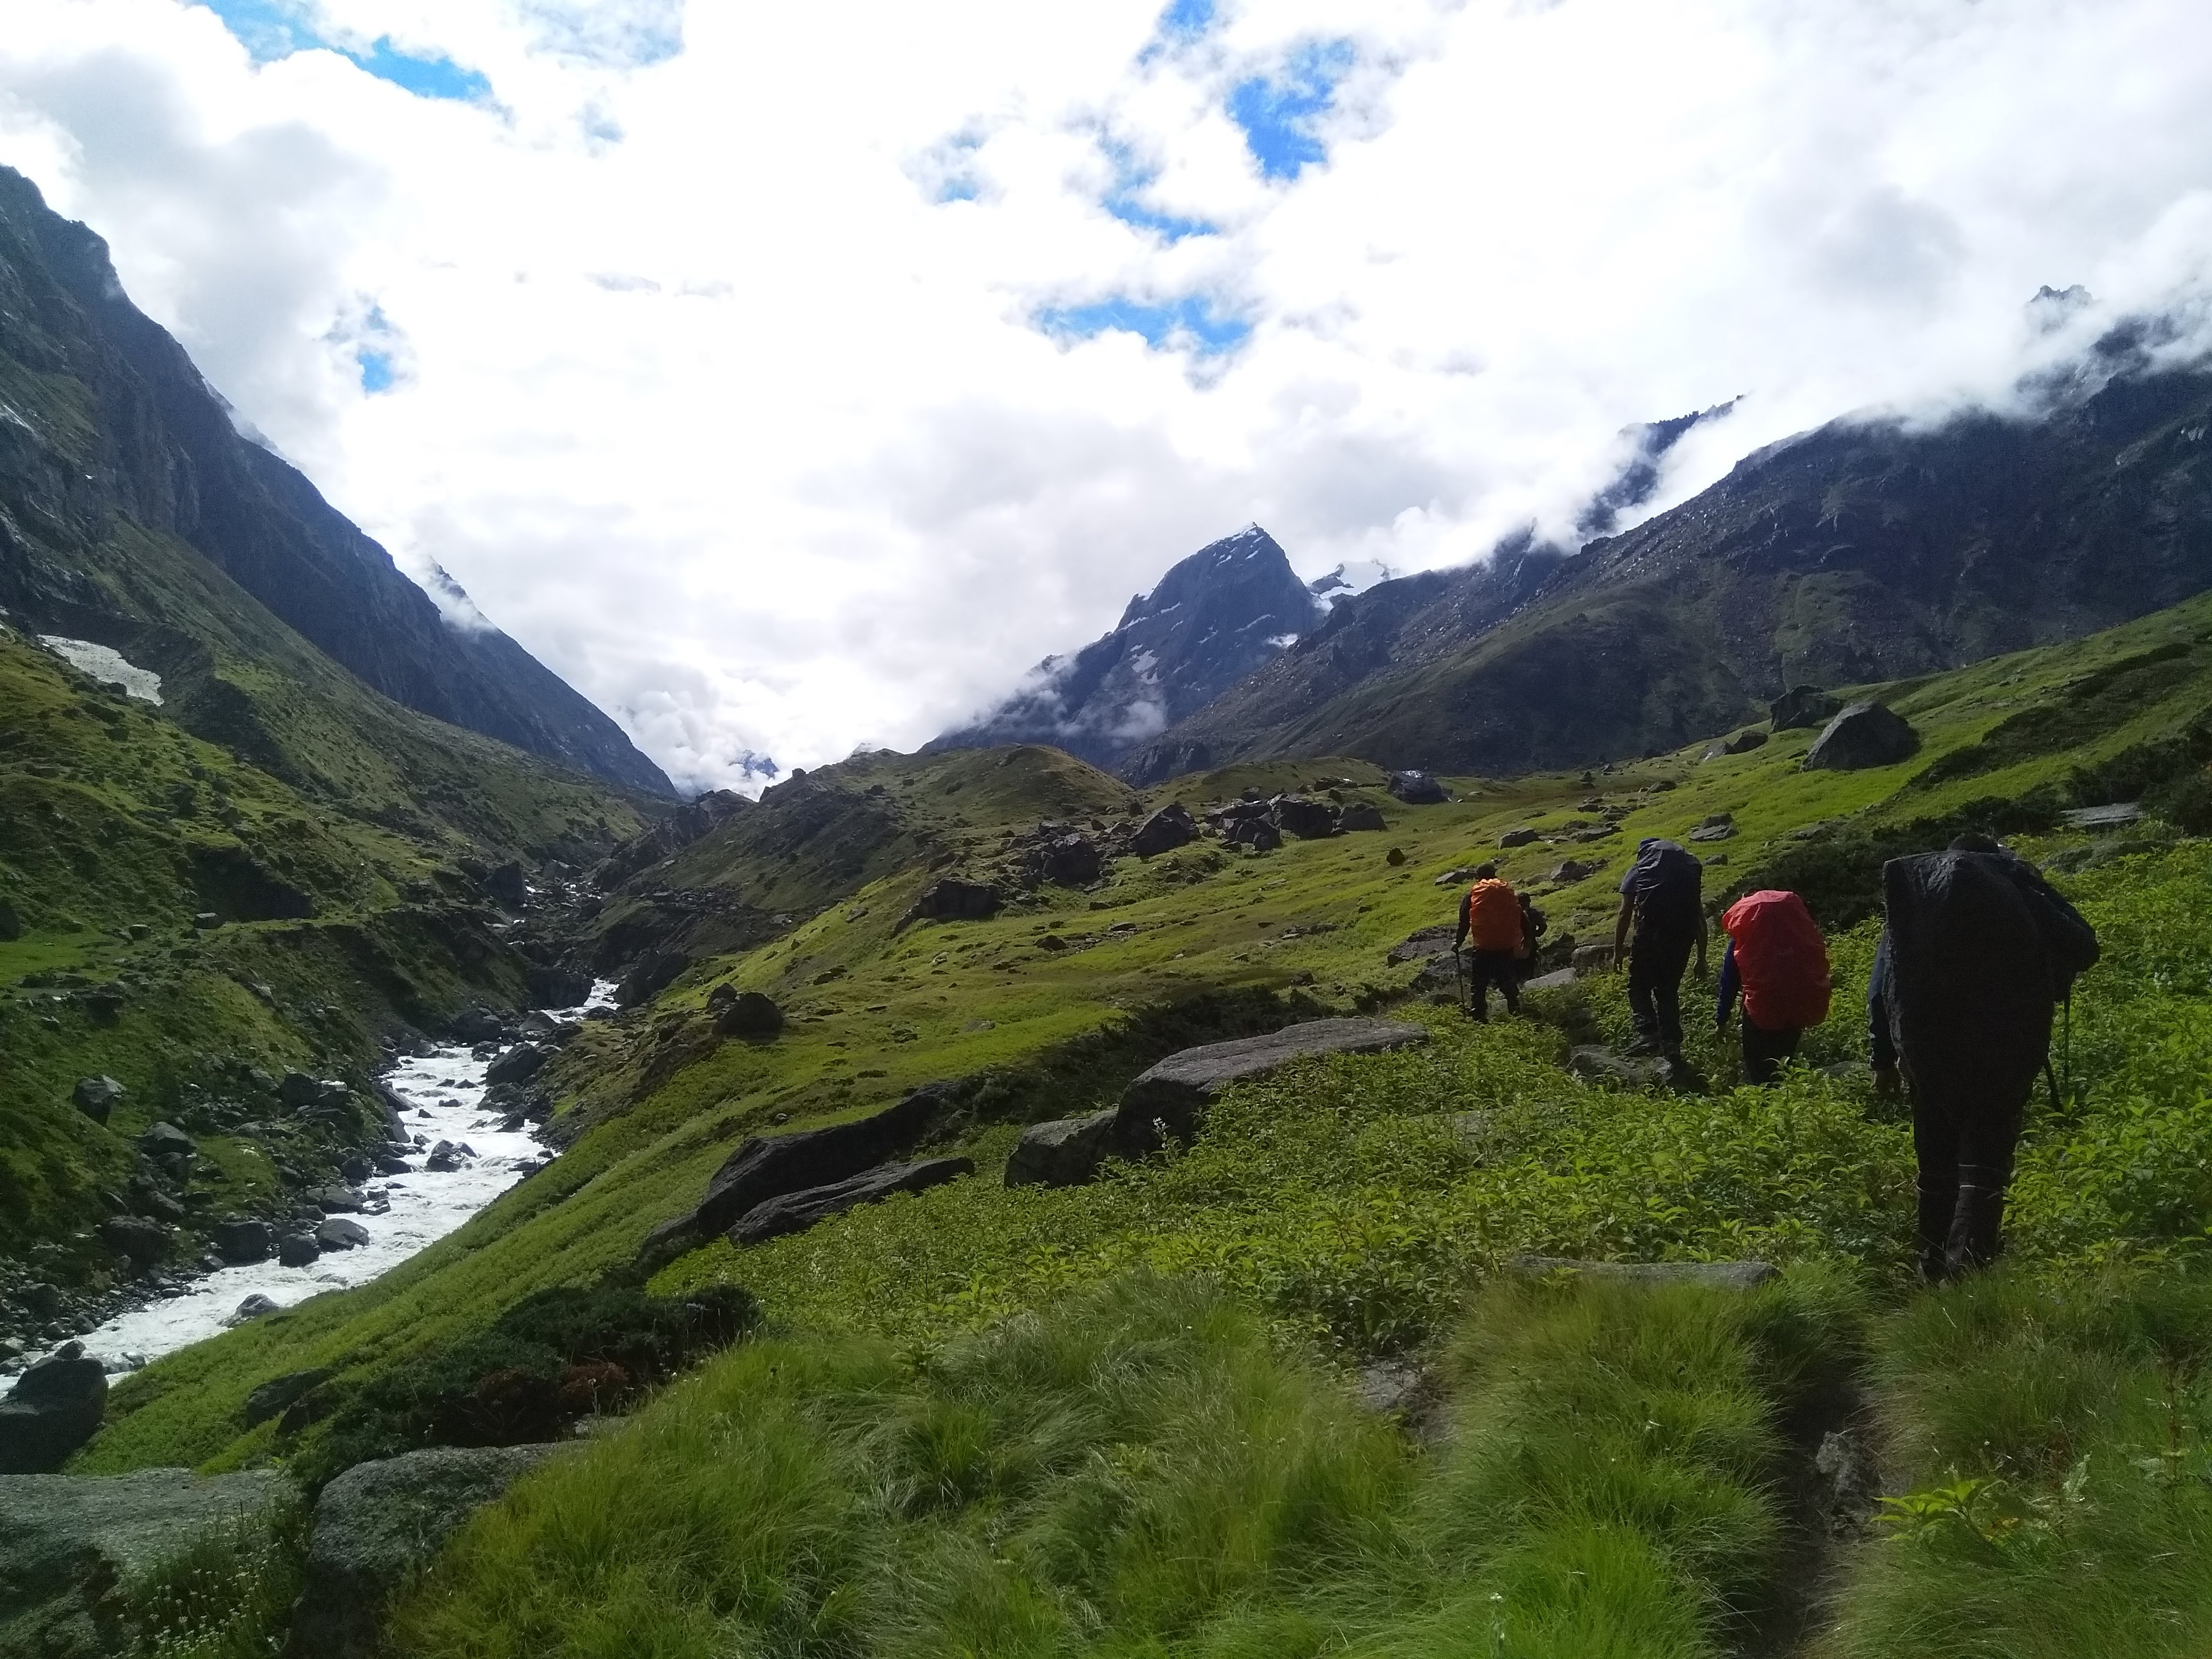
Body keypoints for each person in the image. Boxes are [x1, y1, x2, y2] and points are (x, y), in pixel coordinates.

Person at [1868, 834, 2099, 1280]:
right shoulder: (2011, 889)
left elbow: (1880, 985)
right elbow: (2083, 946)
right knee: (1983, 1168)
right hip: (2003, 1047)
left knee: (1935, 1165)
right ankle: (1967, 1280)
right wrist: (2028, 879)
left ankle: (1930, 1268)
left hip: (1923, 1048)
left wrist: (1883, 1055)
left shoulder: (1916, 903)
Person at [1715, 889, 1832, 1084]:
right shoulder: (1798, 935)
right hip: (1796, 1009)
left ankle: (1762, 1107)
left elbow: (1730, 981)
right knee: (1783, 1068)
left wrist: (1722, 1019)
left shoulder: (1745, 938)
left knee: (1759, 1072)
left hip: (1761, 1011)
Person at [1612, 838, 1706, 1057]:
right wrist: (1701, 957)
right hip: (1682, 939)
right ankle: (1672, 1044)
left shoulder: (1639, 869)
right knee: (1668, 990)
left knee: (1638, 986)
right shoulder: (1687, 873)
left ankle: (1647, 1035)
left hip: (1650, 937)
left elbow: (1625, 913)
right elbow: (1698, 917)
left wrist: (1618, 952)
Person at [1453, 862, 1523, 1020]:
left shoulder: (1473, 895)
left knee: (1479, 984)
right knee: (1507, 980)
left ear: (1478, 877)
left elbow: (1464, 922)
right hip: (1506, 946)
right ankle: (1515, 1010)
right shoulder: (1507, 892)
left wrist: (1457, 942)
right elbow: (1518, 915)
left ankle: (1479, 1016)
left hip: (1483, 947)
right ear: (1495, 874)